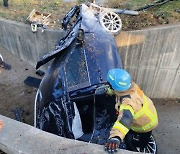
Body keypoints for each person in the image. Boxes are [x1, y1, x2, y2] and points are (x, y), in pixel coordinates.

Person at [104, 68, 158, 153]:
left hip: (146, 124)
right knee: (145, 137)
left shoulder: (128, 102)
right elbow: (116, 90)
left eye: (109, 84)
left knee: (133, 142)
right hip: (150, 113)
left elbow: (125, 119)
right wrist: (109, 92)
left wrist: (116, 136)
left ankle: (135, 148)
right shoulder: (130, 86)